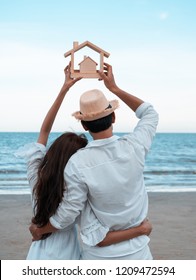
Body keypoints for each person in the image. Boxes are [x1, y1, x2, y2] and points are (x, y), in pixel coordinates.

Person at [17, 63, 152, 260]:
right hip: (75, 256)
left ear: (84, 123)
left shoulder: (43, 173)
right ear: (113, 116)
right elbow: (150, 113)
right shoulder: (133, 147)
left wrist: (64, 88)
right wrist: (114, 88)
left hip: (39, 256)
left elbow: (43, 132)